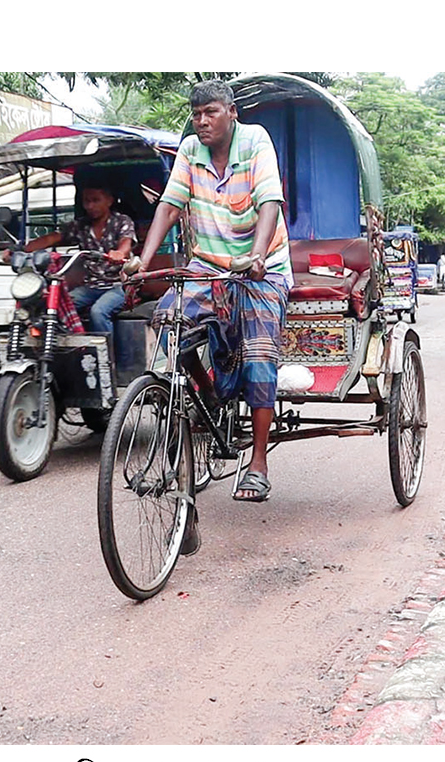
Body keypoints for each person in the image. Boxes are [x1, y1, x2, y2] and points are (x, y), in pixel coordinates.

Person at [133, 79, 291, 504]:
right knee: (166, 322)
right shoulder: (189, 150)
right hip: (208, 266)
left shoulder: (255, 140)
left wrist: (257, 256)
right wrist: (144, 261)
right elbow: (169, 205)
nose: (202, 121)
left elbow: (270, 203)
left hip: (261, 269)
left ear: (231, 112)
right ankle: (210, 392)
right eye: (196, 114)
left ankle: (258, 462)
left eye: (211, 113)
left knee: (260, 357)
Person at [17, 186, 135, 338]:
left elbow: (126, 242)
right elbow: (53, 238)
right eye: (87, 201)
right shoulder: (80, 226)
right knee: (59, 306)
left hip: (119, 285)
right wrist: (23, 250)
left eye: (96, 200)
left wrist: (119, 253)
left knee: (98, 312)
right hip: (91, 286)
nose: (90, 206)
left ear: (109, 201)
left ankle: (107, 358)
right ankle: (69, 350)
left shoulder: (122, 221)